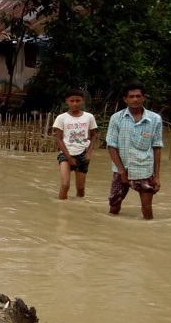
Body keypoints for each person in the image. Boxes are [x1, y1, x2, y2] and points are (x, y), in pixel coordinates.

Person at [107, 82, 163, 220]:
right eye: (131, 96)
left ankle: (148, 236)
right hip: (121, 169)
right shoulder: (116, 118)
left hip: (144, 169)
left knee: (147, 209)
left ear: (144, 98)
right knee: (114, 207)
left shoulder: (154, 119)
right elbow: (111, 146)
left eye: (138, 96)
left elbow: (157, 148)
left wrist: (157, 176)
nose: (135, 99)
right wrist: (121, 171)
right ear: (125, 99)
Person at [52, 87, 98, 199]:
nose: (75, 103)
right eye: (72, 101)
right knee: (65, 184)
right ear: (66, 101)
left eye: (78, 101)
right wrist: (69, 157)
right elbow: (58, 138)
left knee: (80, 188)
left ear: (83, 101)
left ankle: (79, 209)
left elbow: (93, 135)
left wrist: (89, 154)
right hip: (66, 155)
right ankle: (61, 210)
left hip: (82, 154)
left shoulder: (89, 117)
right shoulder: (61, 118)